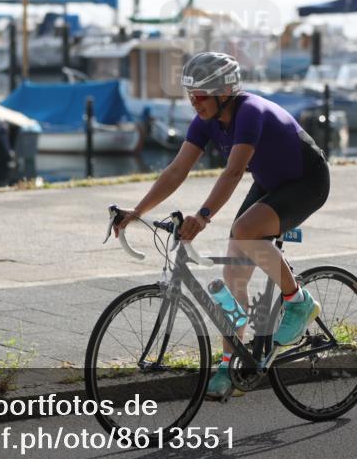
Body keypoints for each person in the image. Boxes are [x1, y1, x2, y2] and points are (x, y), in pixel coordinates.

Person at [113, 52, 331, 399]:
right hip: (272, 183)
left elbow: (232, 172)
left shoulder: (250, 113)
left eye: (200, 96)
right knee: (234, 277)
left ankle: (298, 301)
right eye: (190, 96)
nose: (194, 103)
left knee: (245, 231)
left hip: (308, 180)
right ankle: (230, 363)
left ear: (223, 93)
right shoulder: (205, 121)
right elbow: (176, 170)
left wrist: (202, 216)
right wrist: (136, 211)